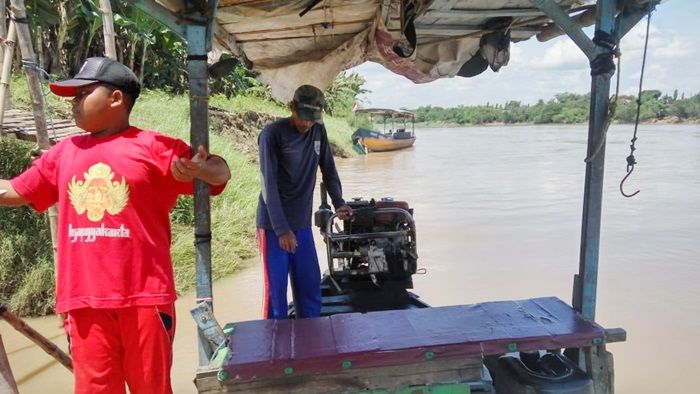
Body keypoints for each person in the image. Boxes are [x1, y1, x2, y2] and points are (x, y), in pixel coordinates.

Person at [0, 57, 230, 394]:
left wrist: (200, 170)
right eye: (73, 97)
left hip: (144, 299)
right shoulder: (63, 152)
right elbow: (16, 191)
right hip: (83, 303)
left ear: (116, 98)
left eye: (83, 93)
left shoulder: (153, 148)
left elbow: (220, 173)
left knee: (150, 388)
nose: (74, 103)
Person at [256, 84, 352, 319]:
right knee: (276, 297)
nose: (306, 125)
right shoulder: (272, 135)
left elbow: (328, 169)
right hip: (273, 226)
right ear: (291, 108)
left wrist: (339, 202)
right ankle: (274, 346)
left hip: (301, 224)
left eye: (312, 119)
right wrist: (281, 230)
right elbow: (268, 185)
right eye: (303, 118)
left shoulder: (318, 131)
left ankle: (310, 345)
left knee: (309, 288)